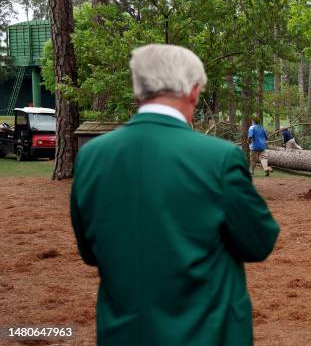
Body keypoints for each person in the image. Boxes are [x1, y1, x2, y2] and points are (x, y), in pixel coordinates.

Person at [70, 44, 280, 346]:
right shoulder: (218, 157)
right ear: (193, 91)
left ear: (138, 89)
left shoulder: (92, 156)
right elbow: (258, 242)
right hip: (208, 333)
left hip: (125, 334)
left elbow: (90, 252)